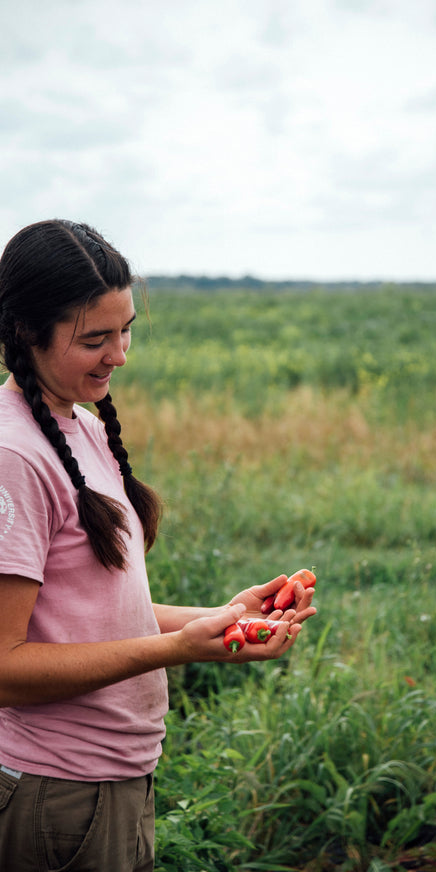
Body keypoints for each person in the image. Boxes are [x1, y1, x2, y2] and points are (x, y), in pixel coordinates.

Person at [0, 219, 316, 872]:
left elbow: (89, 612)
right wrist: (175, 650)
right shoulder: (13, 456)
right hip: (57, 794)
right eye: (96, 339)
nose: (120, 354)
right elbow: (5, 669)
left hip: (115, 784)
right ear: (28, 332)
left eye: (126, 330)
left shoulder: (79, 427)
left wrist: (217, 620)